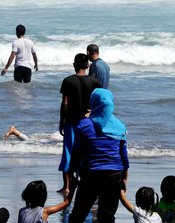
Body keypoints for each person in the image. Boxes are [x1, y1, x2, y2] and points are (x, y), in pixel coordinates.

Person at [68, 88, 128, 223]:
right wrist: (124, 178)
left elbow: (76, 153)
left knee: (79, 213)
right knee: (107, 216)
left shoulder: (84, 125)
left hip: (91, 174)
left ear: (93, 102)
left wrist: (72, 174)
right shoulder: (119, 126)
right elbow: (123, 155)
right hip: (114, 174)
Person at [58, 53, 101, 194]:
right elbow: (100, 102)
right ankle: (85, 183)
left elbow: (65, 103)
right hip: (88, 123)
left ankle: (67, 187)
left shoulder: (68, 81)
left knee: (68, 152)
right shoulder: (94, 82)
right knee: (86, 152)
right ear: (87, 66)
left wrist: (61, 121)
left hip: (71, 122)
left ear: (74, 65)